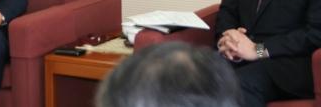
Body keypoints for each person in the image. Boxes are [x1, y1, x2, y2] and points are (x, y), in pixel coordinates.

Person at [96, 42, 241, 107]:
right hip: (225, 54)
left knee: (244, 84)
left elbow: (263, 48)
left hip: (261, 60)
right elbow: (226, 15)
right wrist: (228, 38)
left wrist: (257, 49)